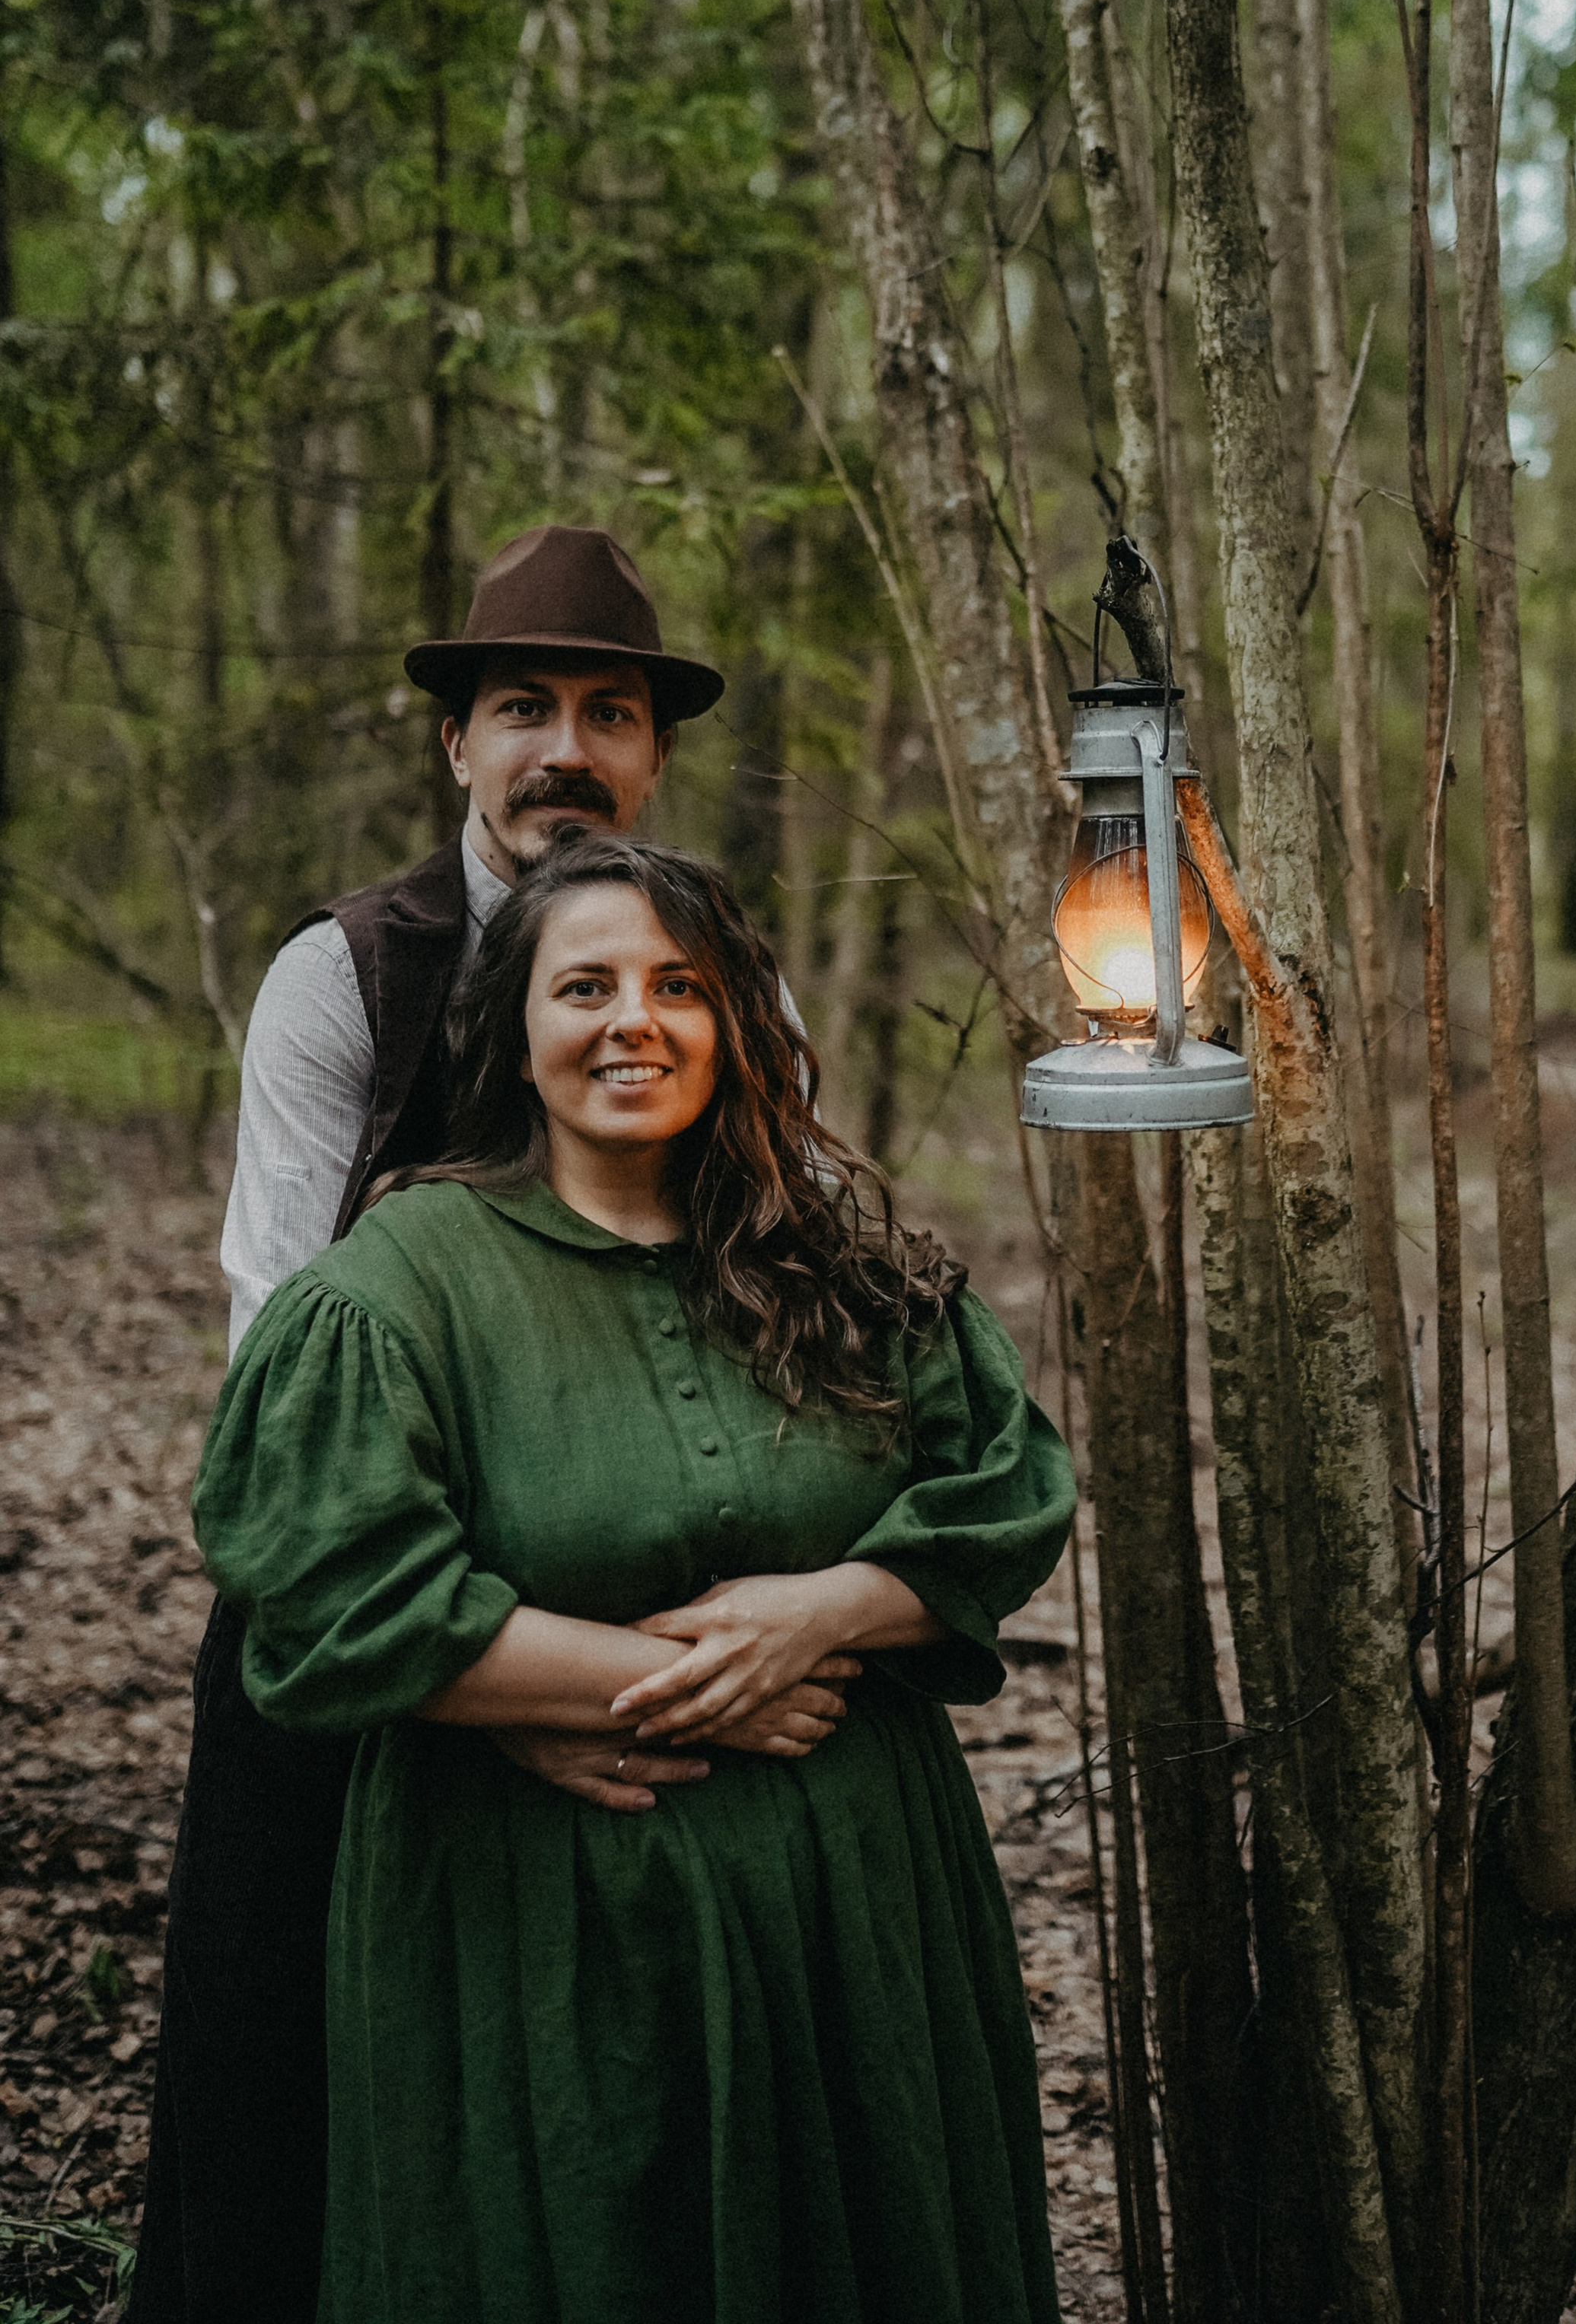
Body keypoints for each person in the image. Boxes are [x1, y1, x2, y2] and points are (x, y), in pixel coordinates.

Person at [191, 833, 1075, 2322]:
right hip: (535, 1934)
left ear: (734, 1023)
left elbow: (1004, 1493)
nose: (633, 1020)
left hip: (858, 1927)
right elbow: (329, 1593)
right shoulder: (394, 1290)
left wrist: (823, 1613)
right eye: (583, 985)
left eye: (678, 984)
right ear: (513, 1030)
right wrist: (675, 1689)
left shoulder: (835, 1266)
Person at [134, 525, 836, 2324]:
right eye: (522, 705)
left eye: (608, 711)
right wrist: (493, 1678)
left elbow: (780, 1310)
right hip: (359, 1636)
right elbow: (278, 1383)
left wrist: (675, 1647)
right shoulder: (343, 979)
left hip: (659, 1654)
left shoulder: (715, 989)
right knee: (293, 2109)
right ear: (455, 742)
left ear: (654, 755)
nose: (564, 751)